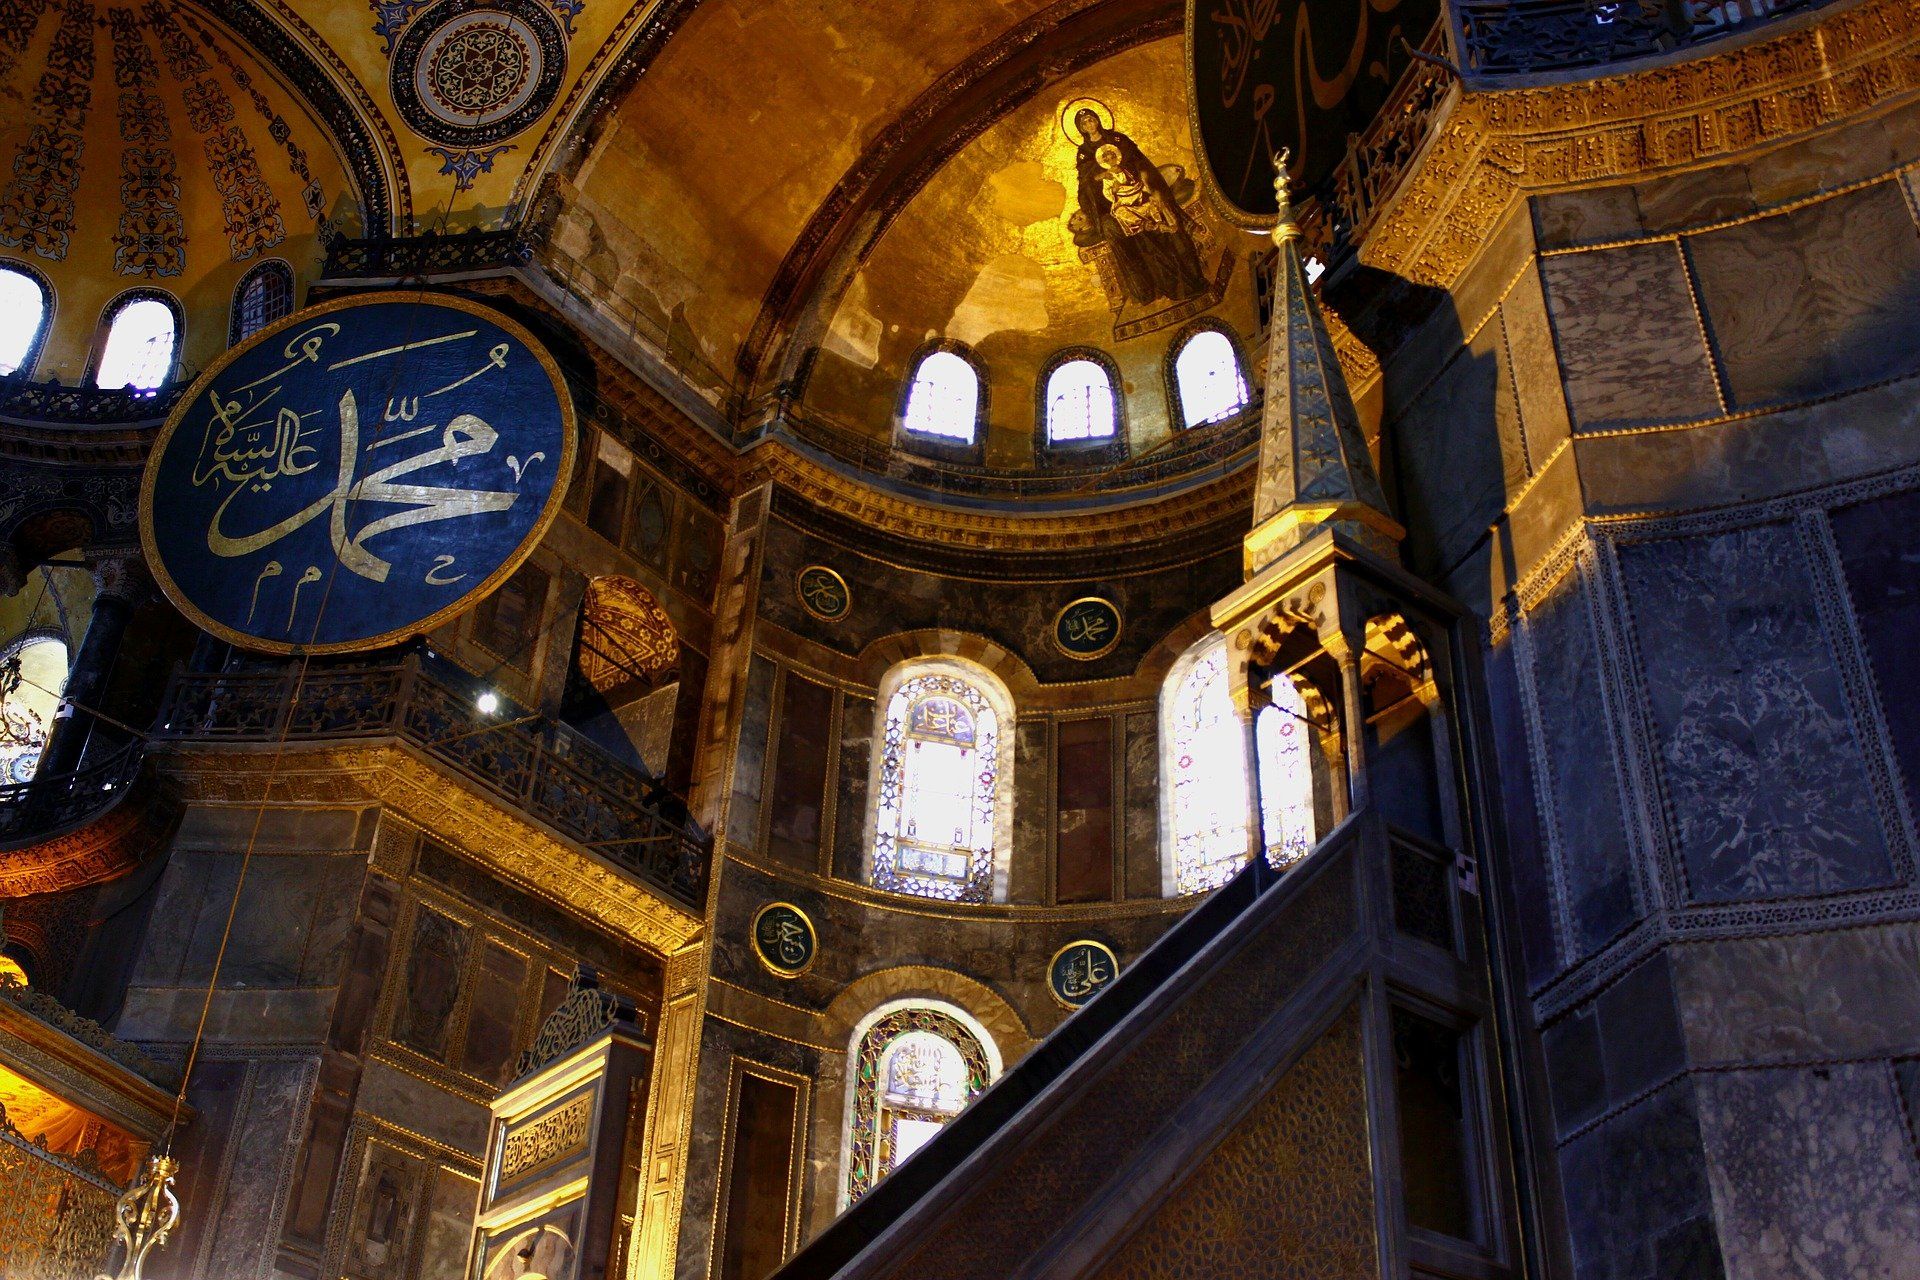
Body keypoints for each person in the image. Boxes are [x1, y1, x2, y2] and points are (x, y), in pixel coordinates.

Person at [1071, 108, 1210, 306]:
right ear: (1081, 128)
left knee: (1172, 233)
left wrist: (1149, 186)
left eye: (1091, 120)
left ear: (1097, 120)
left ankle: (1194, 281)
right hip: (1120, 207)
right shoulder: (1084, 153)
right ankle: (1158, 289)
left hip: (1143, 194)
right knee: (1146, 242)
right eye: (1084, 123)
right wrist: (1102, 177)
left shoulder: (1117, 139)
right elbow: (1086, 185)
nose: (1089, 125)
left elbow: (1141, 163)